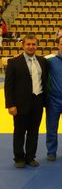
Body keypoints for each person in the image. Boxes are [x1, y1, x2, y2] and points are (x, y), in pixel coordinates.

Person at [4, 35, 48, 168]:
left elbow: (44, 82)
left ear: (37, 46)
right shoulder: (14, 62)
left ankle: (30, 157)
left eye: (33, 44)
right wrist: (10, 105)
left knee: (34, 131)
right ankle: (18, 157)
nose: (31, 47)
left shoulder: (42, 61)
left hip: (38, 101)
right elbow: (8, 85)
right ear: (23, 45)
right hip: (20, 103)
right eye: (28, 44)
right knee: (19, 131)